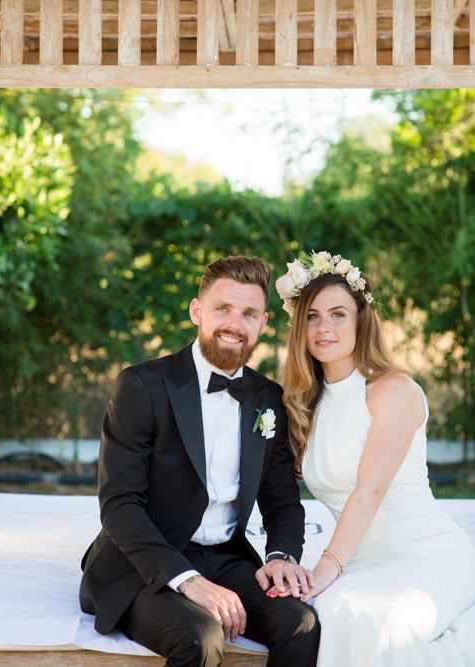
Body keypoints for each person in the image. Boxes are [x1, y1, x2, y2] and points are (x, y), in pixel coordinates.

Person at [80, 256, 320, 667]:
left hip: (227, 558)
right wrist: (189, 581)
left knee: (301, 623)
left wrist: (281, 557)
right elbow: (119, 505)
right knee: (200, 636)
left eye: (247, 313)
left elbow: (283, 501)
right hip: (142, 564)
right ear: (197, 311)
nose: (234, 323)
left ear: (262, 323)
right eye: (222, 309)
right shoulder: (142, 385)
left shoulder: (268, 399)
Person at [274, 250, 475, 666]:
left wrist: (325, 569)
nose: (324, 327)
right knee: (320, 617)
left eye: (338, 314)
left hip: (427, 556)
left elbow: (368, 491)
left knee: (365, 619)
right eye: (312, 316)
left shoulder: (392, 390)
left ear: (360, 321)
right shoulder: (302, 406)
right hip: (361, 564)